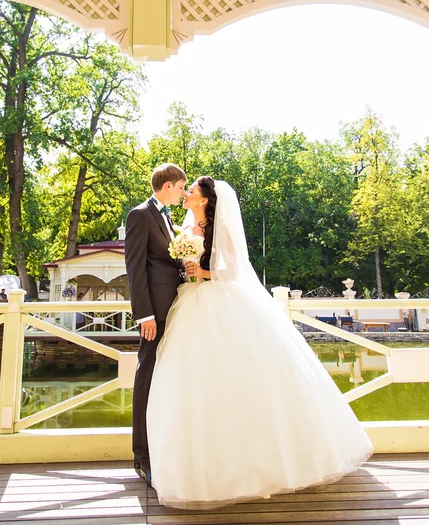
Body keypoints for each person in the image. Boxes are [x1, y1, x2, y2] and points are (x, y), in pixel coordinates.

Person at [146, 177, 373, 509]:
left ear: (205, 200)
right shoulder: (185, 227)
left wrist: (203, 273)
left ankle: (266, 464)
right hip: (191, 304)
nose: (186, 194)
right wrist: (189, 269)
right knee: (195, 381)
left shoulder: (219, 228)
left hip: (219, 302)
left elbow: (234, 269)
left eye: (191, 190)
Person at [125, 163, 187, 486]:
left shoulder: (168, 217)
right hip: (154, 315)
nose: (183, 193)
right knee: (145, 378)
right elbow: (135, 268)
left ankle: (164, 447)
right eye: (180, 187)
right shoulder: (139, 215)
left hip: (174, 308)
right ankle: (142, 457)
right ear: (167, 186)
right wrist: (144, 314)